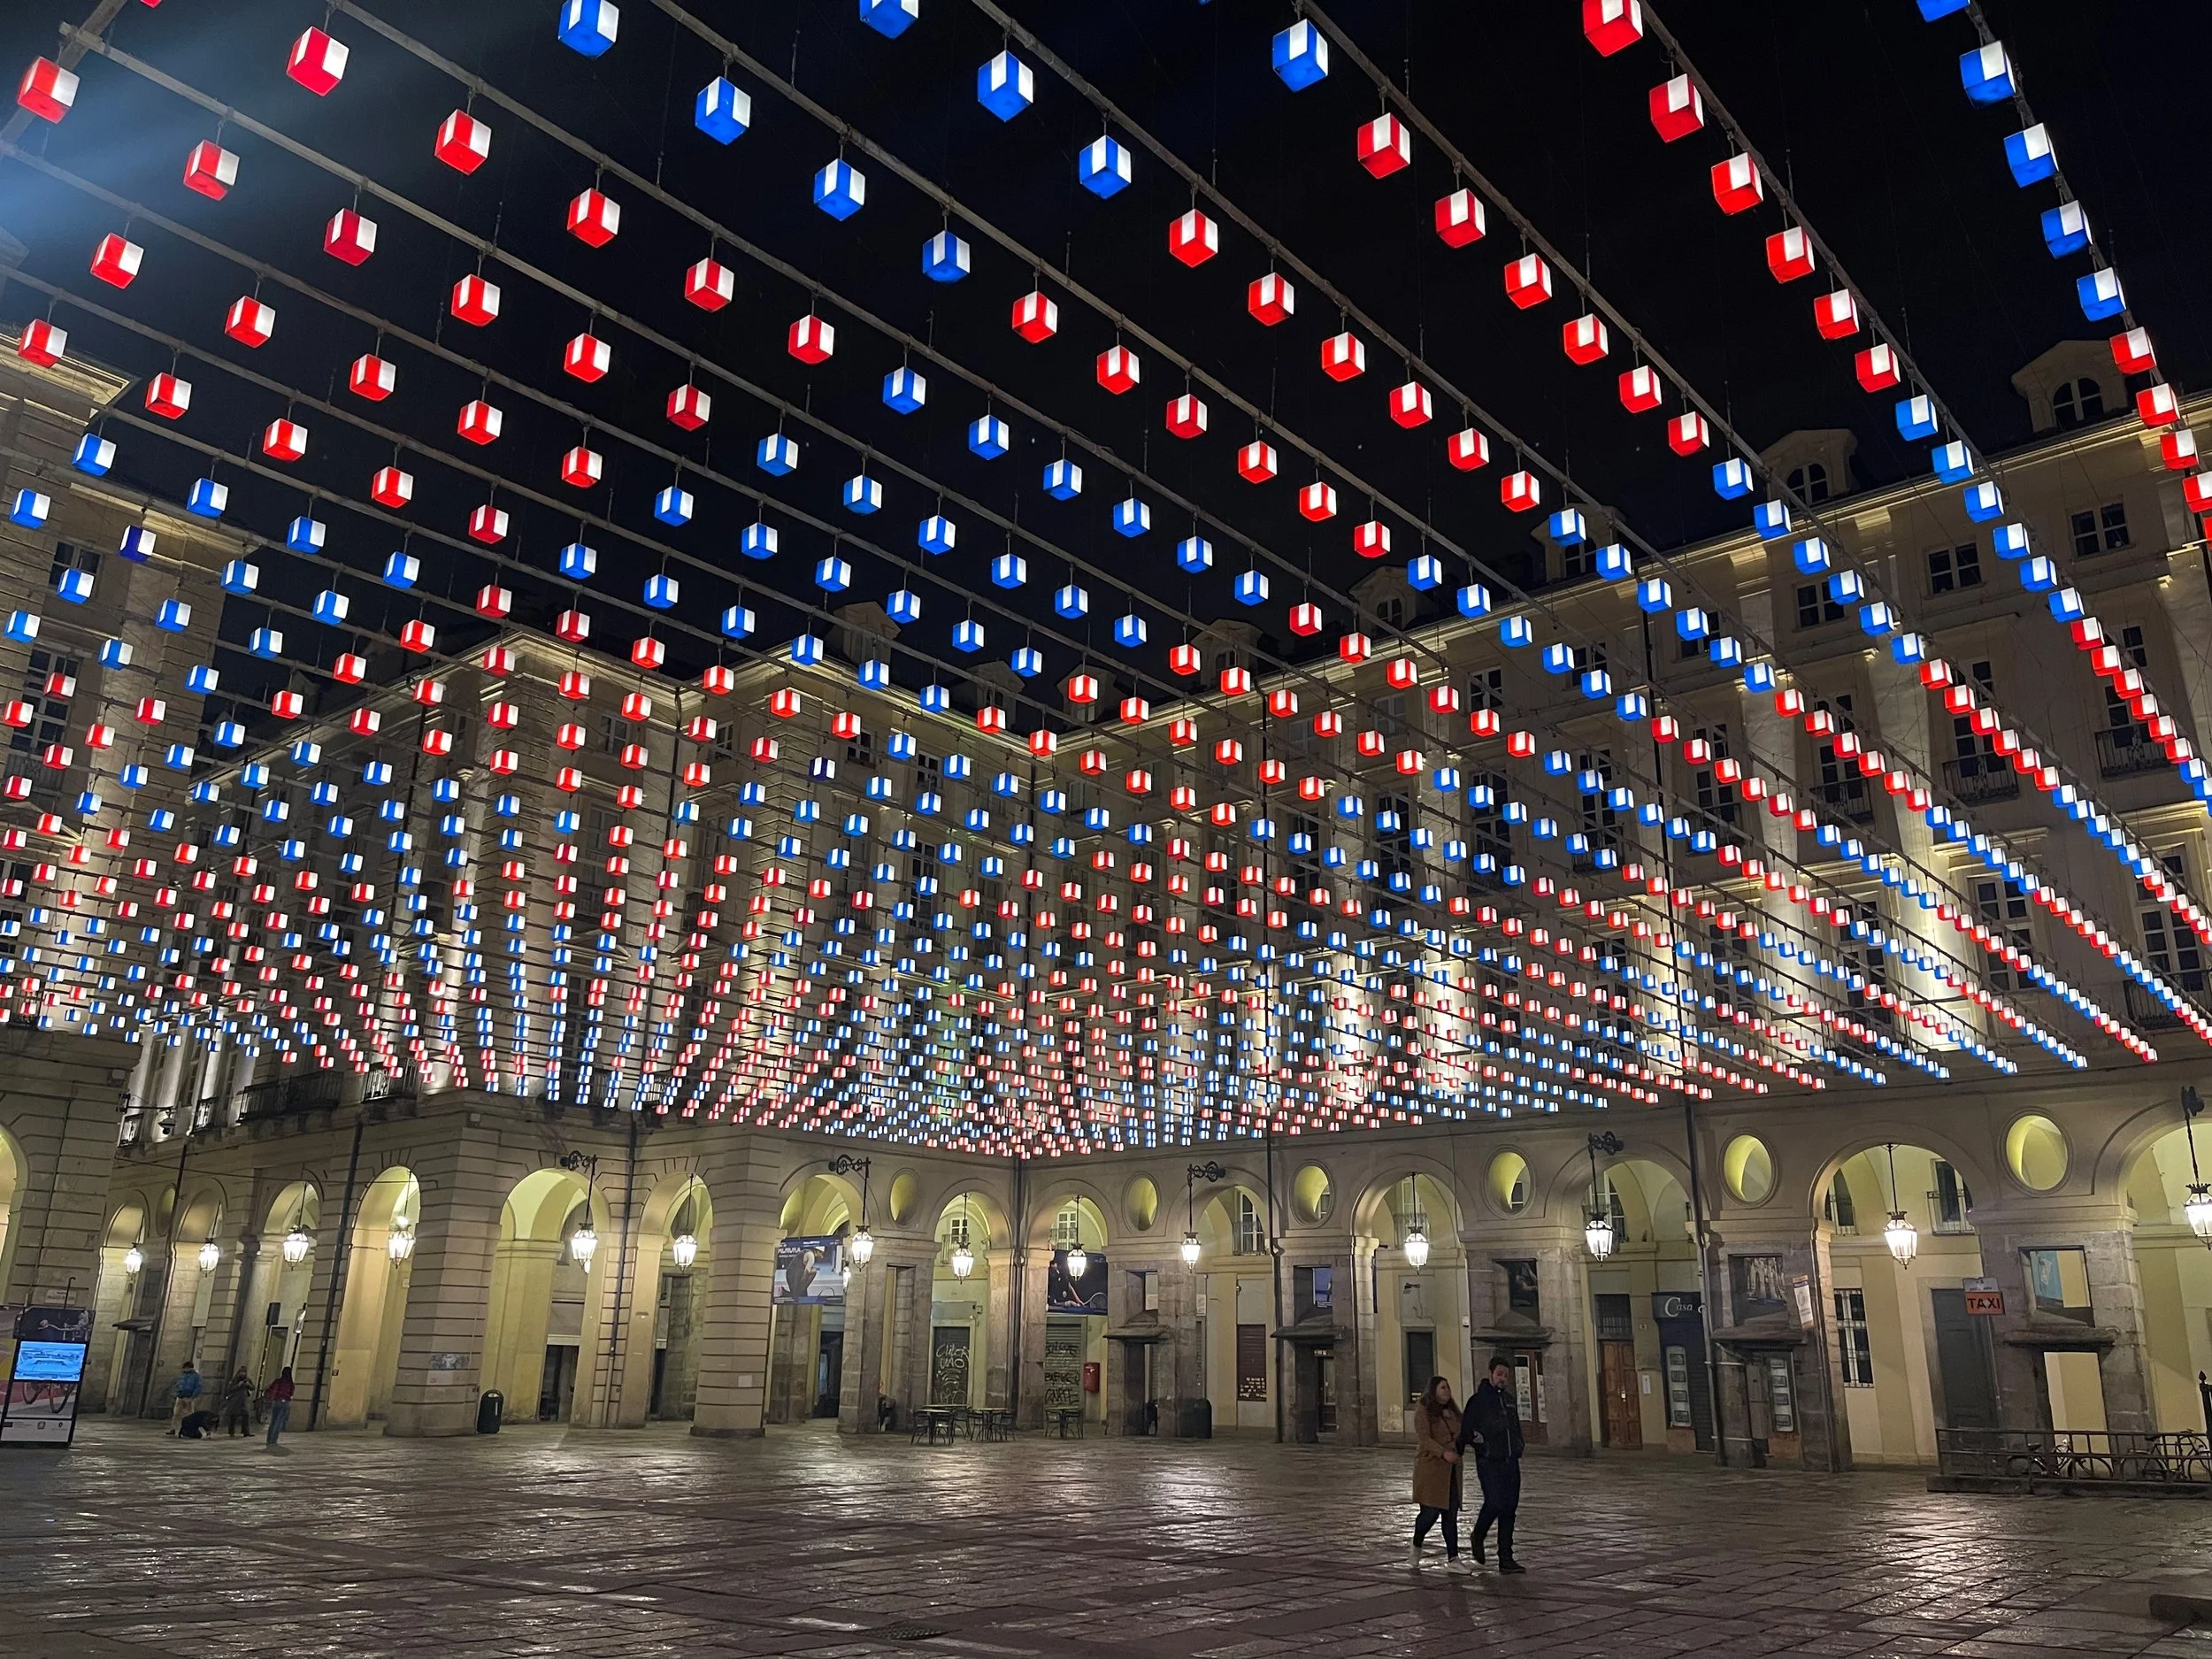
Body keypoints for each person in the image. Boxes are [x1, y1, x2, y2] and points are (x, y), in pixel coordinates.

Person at [1461, 1356, 1526, 1573]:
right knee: (1495, 1503)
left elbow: (1515, 1426)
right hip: (1490, 1461)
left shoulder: (1508, 1399)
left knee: (1510, 1508)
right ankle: (1478, 1534)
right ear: (1490, 1374)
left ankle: (1506, 1557)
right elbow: (1467, 1429)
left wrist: (1519, 1445)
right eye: (1499, 1374)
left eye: (1506, 1375)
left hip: (1510, 1460)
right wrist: (1476, 1440)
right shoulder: (1479, 1400)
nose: (1503, 1379)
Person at [1409, 1375, 1464, 1567]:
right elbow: (1424, 1439)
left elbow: (1462, 1433)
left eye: (1448, 1387)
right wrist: (1443, 1453)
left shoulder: (1453, 1412)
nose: (1447, 1391)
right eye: (1442, 1388)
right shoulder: (1424, 1410)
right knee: (1430, 1513)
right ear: (1433, 1391)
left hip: (1451, 1472)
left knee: (1450, 1515)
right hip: (1431, 1469)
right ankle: (1416, 1544)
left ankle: (1454, 1559)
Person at [264, 1366, 296, 1450]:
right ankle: (273, 1440)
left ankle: (269, 1439)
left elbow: (270, 1389)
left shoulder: (278, 1381)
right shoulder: (290, 1383)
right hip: (285, 1402)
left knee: (273, 1421)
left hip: (276, 1401)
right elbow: (291, 1393)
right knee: (279, 1422)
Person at [167, 1362, 203, 1434]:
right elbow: (176, 1384)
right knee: (176, 1414)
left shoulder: (196, 1376)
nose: (185, 1369)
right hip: (180, 1396)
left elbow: (198, 1387)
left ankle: (189, 1429)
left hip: (189, 1397)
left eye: (186, 1368)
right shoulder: (182, 1375)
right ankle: (173, 1429)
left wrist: (193, 1396)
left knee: (189, 1414)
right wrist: (175, 1393)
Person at [220, 1371, 255, 1438]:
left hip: (243, 1401)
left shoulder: (248, 1379)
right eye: (242, 1372)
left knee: (246, 1415)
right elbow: (230, 1389)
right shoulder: (234, 1380)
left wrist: (248, 1384)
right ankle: (231, 1431)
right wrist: (238, 1385)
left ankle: (246, 1432)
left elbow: (253, 1388)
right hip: (235, 1400)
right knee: (233, 1416)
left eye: (244, 1372)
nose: (243, 1374)